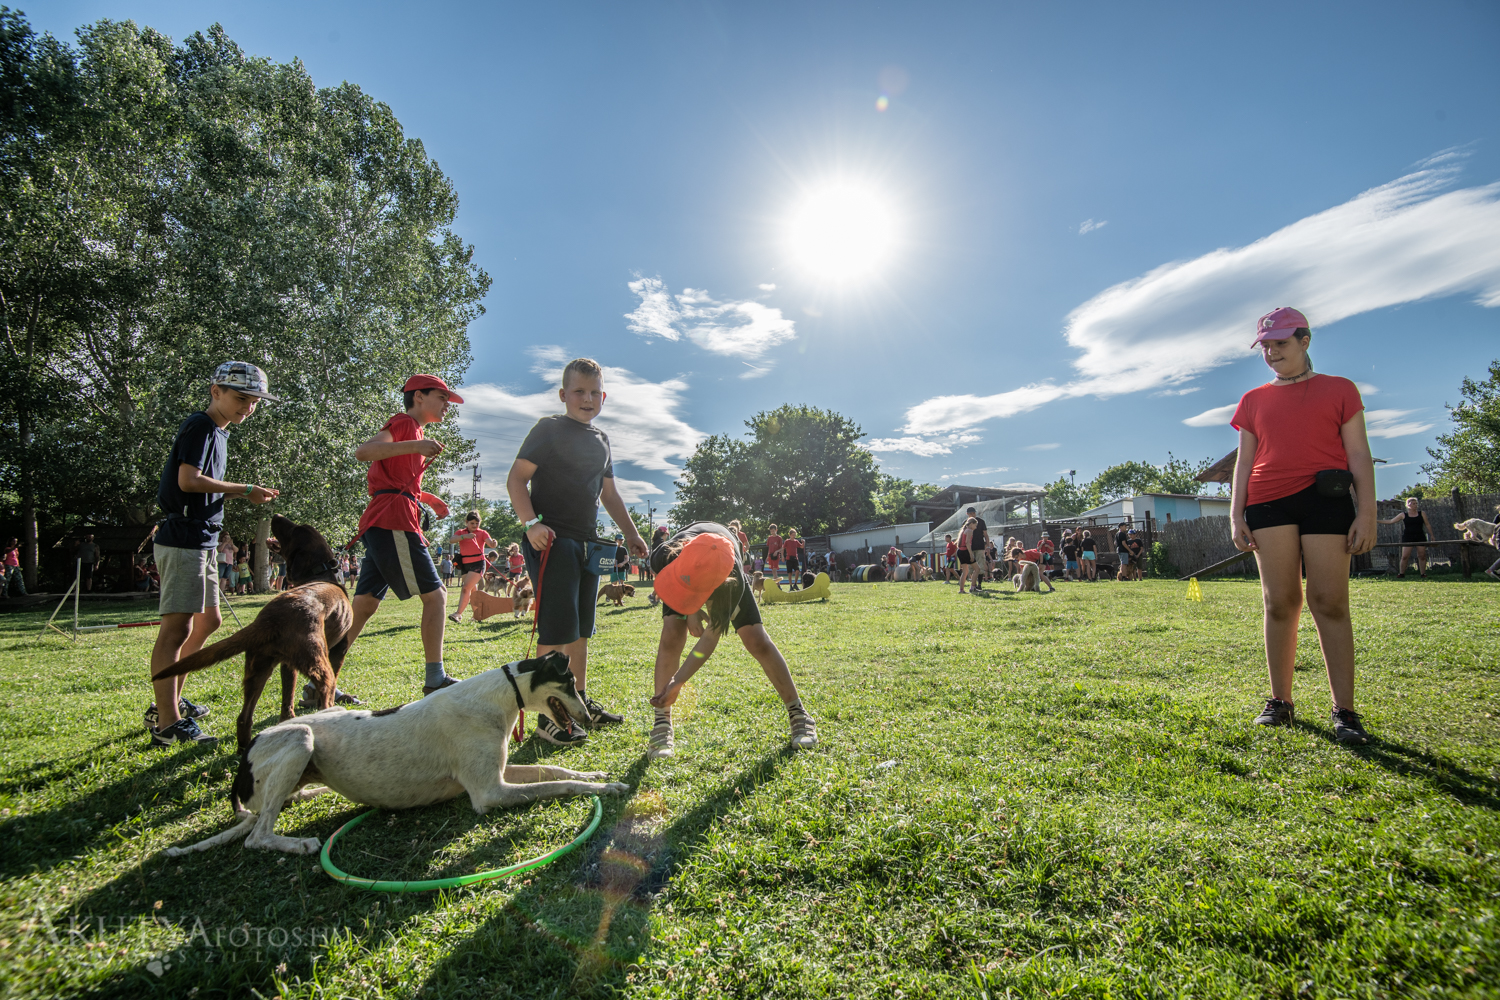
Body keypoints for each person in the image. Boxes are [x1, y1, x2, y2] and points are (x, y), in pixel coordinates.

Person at [1229, 306, 1377, 745]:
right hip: (1267, 503)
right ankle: (1280, 702)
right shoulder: (1252, 400)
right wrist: (1236, 514)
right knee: (1280, 602)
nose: (1272, 352)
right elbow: (1244, 462)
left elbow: (1359, 455)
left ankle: (1345, 711)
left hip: (1325, 501)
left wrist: (1366, 512)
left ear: (1304, 341)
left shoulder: (1340, 389)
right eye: (1265, 346)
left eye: (1281, 343)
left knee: (1329, 601)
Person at [506, 357, 647, 746]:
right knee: (557, 630)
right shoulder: (548, 429)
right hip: (552, 541)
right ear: (563, 394)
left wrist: (631, 534)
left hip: (588, 544)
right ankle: (548, 717)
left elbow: (610, 494)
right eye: (579, 391)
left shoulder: (602, 439)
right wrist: (530, 524)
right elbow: (516, 479)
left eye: (594, 392)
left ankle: (579, 703)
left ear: (604, 396)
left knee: (582, 629)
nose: (587, 399)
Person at [147, 361, 281, 746]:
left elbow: (201, 486)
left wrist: (241, 493)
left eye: (255, 401)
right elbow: (188, 481)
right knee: (177, 629)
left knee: (208, 622)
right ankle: (167, 723)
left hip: (203, 539)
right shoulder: (201, 426)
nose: (248, 407)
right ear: (216, 392)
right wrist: (244, 489)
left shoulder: (219, 432)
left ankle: (170, 700)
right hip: (183, 538)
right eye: (241, 398)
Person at [645, 523, 818, 758]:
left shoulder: (731, 581)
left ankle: (799, 714)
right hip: (682, 569)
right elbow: (659, 575)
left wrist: (677, 682)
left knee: (756, 639)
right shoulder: (666, 554)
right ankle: (661, 723)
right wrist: (690, 609)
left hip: (725, 563)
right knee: (672, 633)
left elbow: (710, 638)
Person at [343, 374, 462, 700]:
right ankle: (435, 678)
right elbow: (364, 452)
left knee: (364, 605)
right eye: (442, 398)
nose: (447, 406)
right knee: (437, 596)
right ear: (418, 396)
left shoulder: (414, 430)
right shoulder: (405, 424)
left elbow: (394, 481)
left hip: (386, 519)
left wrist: (427, 498)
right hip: (393, 521)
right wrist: (416, 446)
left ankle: (318, 682)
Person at [447, 511, 497, 623]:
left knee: (465, 588)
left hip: (478, 563)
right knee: (473, 591)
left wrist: (494, 543)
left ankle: (458, 614)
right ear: (466, 522)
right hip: (465, 564)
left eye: (477, 523)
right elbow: (451, 540)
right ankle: (478, 615)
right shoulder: (461, 532)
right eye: (472, 523)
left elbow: (491, 544)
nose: (474, 526)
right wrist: (464, 536)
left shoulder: (482, 533)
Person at [1379, 497, 1436, 579]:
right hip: (1408, 537)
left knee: (1422, 556)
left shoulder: (1422, 513)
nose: (1415, 505)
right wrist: (1377, 521)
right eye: (1413, 504)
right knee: (1405, 556)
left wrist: (1432, 535)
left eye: (1416, 503)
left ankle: (1423, 573)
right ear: (1408, 505)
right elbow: (1391, 521)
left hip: (1420, 536)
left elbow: (1427, 524)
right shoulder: (1403, 515)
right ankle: (1401, 573)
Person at [964, 507, 989, 592]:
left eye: (974, 513)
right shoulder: (965, 523)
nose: (973, 514)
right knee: (971, 567)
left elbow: (985, 534)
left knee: (980, 565)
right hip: (969, 547)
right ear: (967, 514)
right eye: (971, 513)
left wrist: (987, 546)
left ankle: (979, 584)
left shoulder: (981, 521)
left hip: (980, 546)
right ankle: (973, 584)